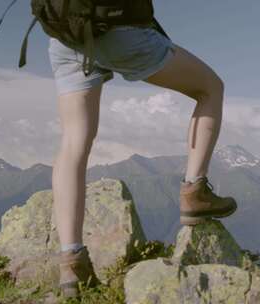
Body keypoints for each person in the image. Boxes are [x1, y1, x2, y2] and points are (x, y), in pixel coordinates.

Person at [49, 23, 237, 299]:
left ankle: (71, 263)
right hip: (118, 32)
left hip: (65, 35)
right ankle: (194, 191)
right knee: (210, 88)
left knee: (73, 141)